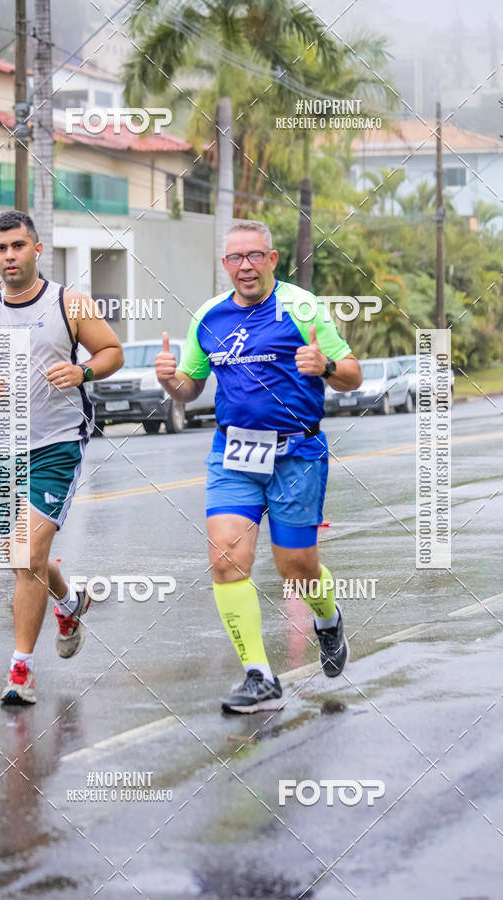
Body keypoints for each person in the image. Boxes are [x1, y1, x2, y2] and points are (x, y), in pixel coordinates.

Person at [155, 220, 362, 713]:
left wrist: (326, 367)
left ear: (272, 259)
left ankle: (328, 619)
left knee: (297, 570)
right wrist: (170, 381)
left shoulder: (302, 307)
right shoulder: (209, 316)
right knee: (226, 561)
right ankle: (259, 677)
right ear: (224, 265)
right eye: (234, 258)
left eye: (254, 256)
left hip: (297, 454)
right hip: (234, 455)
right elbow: (190, 388)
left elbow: (352, 376)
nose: (244, 266)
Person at [0, 210, 123, 705]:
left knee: (29, 554)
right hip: (3, 446)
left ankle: (20, 669)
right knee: (25, 559)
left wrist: (81, 373)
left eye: (18, 246)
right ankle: (70, 600)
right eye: (1, 249)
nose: (9, 257)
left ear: (37, 249)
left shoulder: (69, 303)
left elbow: (111, 352)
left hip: (58, 442)